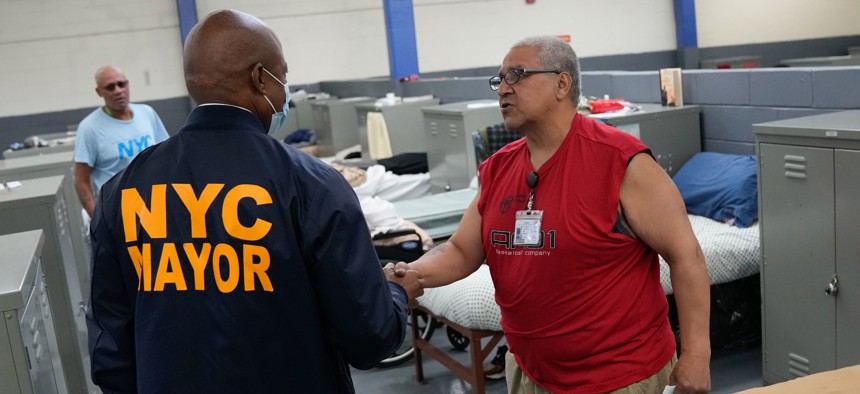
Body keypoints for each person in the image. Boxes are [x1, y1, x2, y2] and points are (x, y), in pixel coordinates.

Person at [85, 9, 422, 393]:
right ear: (262, 78)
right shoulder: (312, 185)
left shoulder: (121, 193)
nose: (285, 93)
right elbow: (369, 338)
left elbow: (111, 355)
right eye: (284, 76)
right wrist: (395, 294)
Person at [400, 36, 711, 393]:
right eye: (499, 79)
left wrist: (697, 356)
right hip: (530, 373)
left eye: (516, 75)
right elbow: (460, 250)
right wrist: (409, 274)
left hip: (620, 377)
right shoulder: (498, 168)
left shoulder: (621, 161)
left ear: (562, 83)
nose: (502, 88)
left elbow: (687, 256)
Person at [74, 65, 170, 217]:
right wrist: (99, 221)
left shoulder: (147, 113)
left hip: (159, 207)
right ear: (99, 92)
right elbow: (81, 182)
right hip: (120, 214)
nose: (118, 91)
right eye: (110, 87)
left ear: (127, 84)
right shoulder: (89, 128)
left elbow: (167, 157)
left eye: (121, 84)